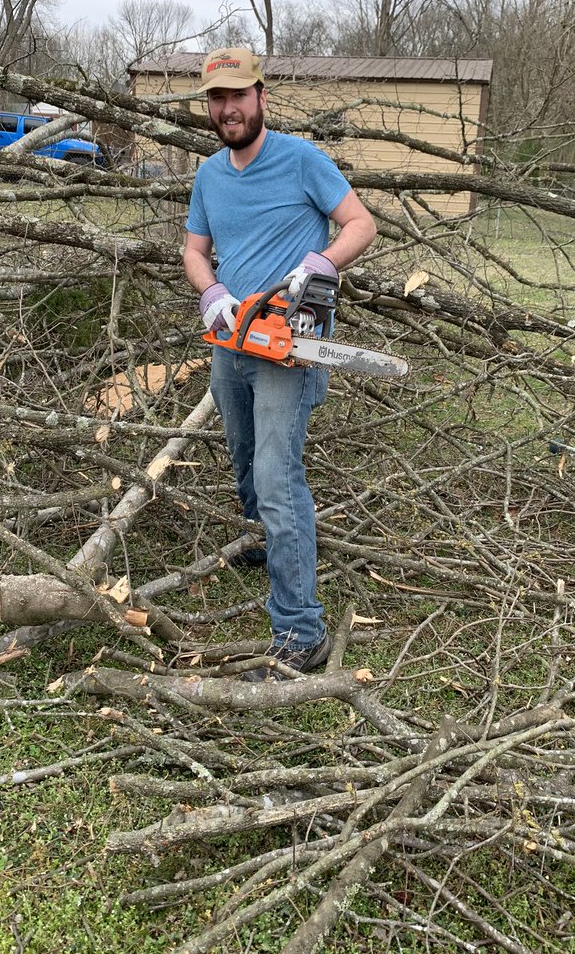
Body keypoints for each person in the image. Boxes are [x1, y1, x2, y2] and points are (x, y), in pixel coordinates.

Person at [183, 47, 377, 681]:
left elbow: (359, 223)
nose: (229, 107)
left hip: (288, 349)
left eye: (239, 95)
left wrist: (321, 264)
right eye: (218, 98)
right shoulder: (210, 175)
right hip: (230, 343)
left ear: (261, 96)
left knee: (276, 476)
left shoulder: (300, 160)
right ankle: (265, 538)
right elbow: (193, 249)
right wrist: (211, 293)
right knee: (243, 460)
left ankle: (301, 630)